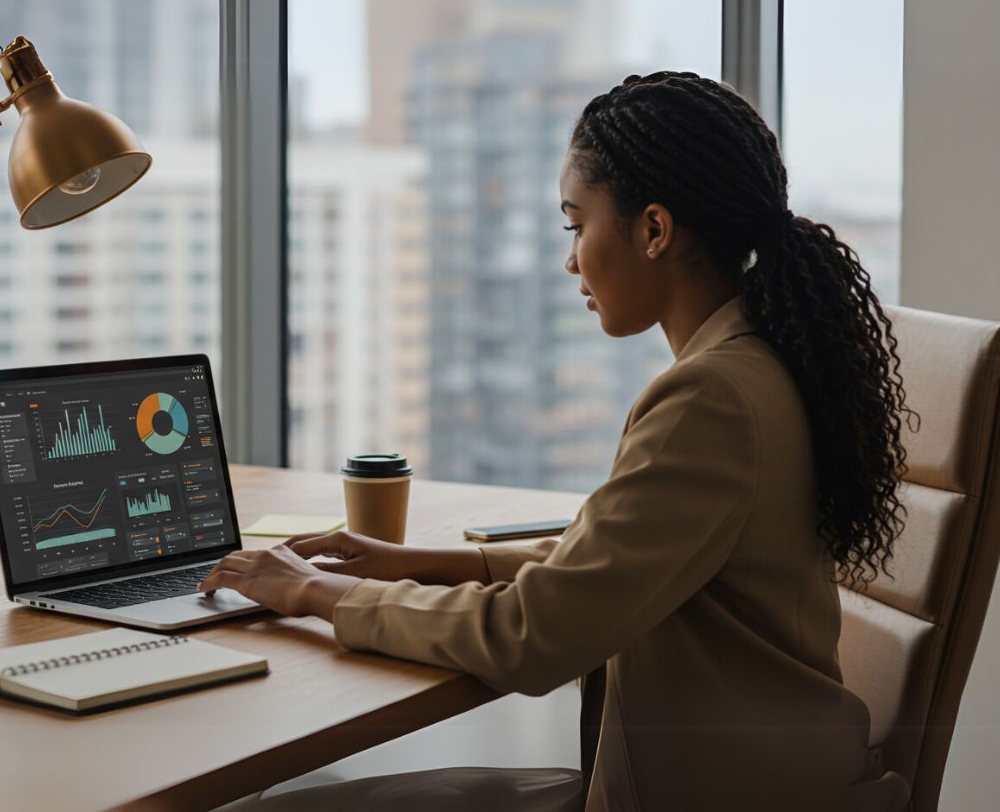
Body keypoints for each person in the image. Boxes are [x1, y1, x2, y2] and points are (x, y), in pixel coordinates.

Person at [201, 72, 916, 811]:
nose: (572, 259)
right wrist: (420, 561)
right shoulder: (758, 362)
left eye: (577, 226)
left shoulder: (712, 398)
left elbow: (532, 635)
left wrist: (313, 590)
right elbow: (611, 568)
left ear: (655, 230)